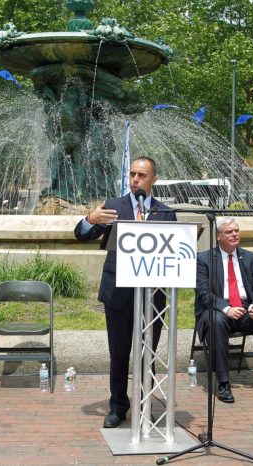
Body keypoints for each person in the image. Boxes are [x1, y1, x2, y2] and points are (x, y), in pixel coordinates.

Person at [74, 156, 177, 428]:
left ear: (153, 179)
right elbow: (81, 235)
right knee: (119, 354)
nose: (135, 180)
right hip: (118, 293)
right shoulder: (113, 206)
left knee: (148, 355)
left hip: (153, 297)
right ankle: (118, 406)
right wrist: (89, 219)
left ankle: (145, 406)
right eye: (132, 174)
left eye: (141, 175)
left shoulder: (165, 213)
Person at [195, 217, 253, 403]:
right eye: (229, 232)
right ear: (219, 236)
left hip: (246, 310)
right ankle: (223, 382)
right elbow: (203, 294)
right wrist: (226, 308)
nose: (235, 234)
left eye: (237, 230)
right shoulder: (204, 259)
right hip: (217, 309)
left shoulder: (250, 258)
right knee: (217, 322)